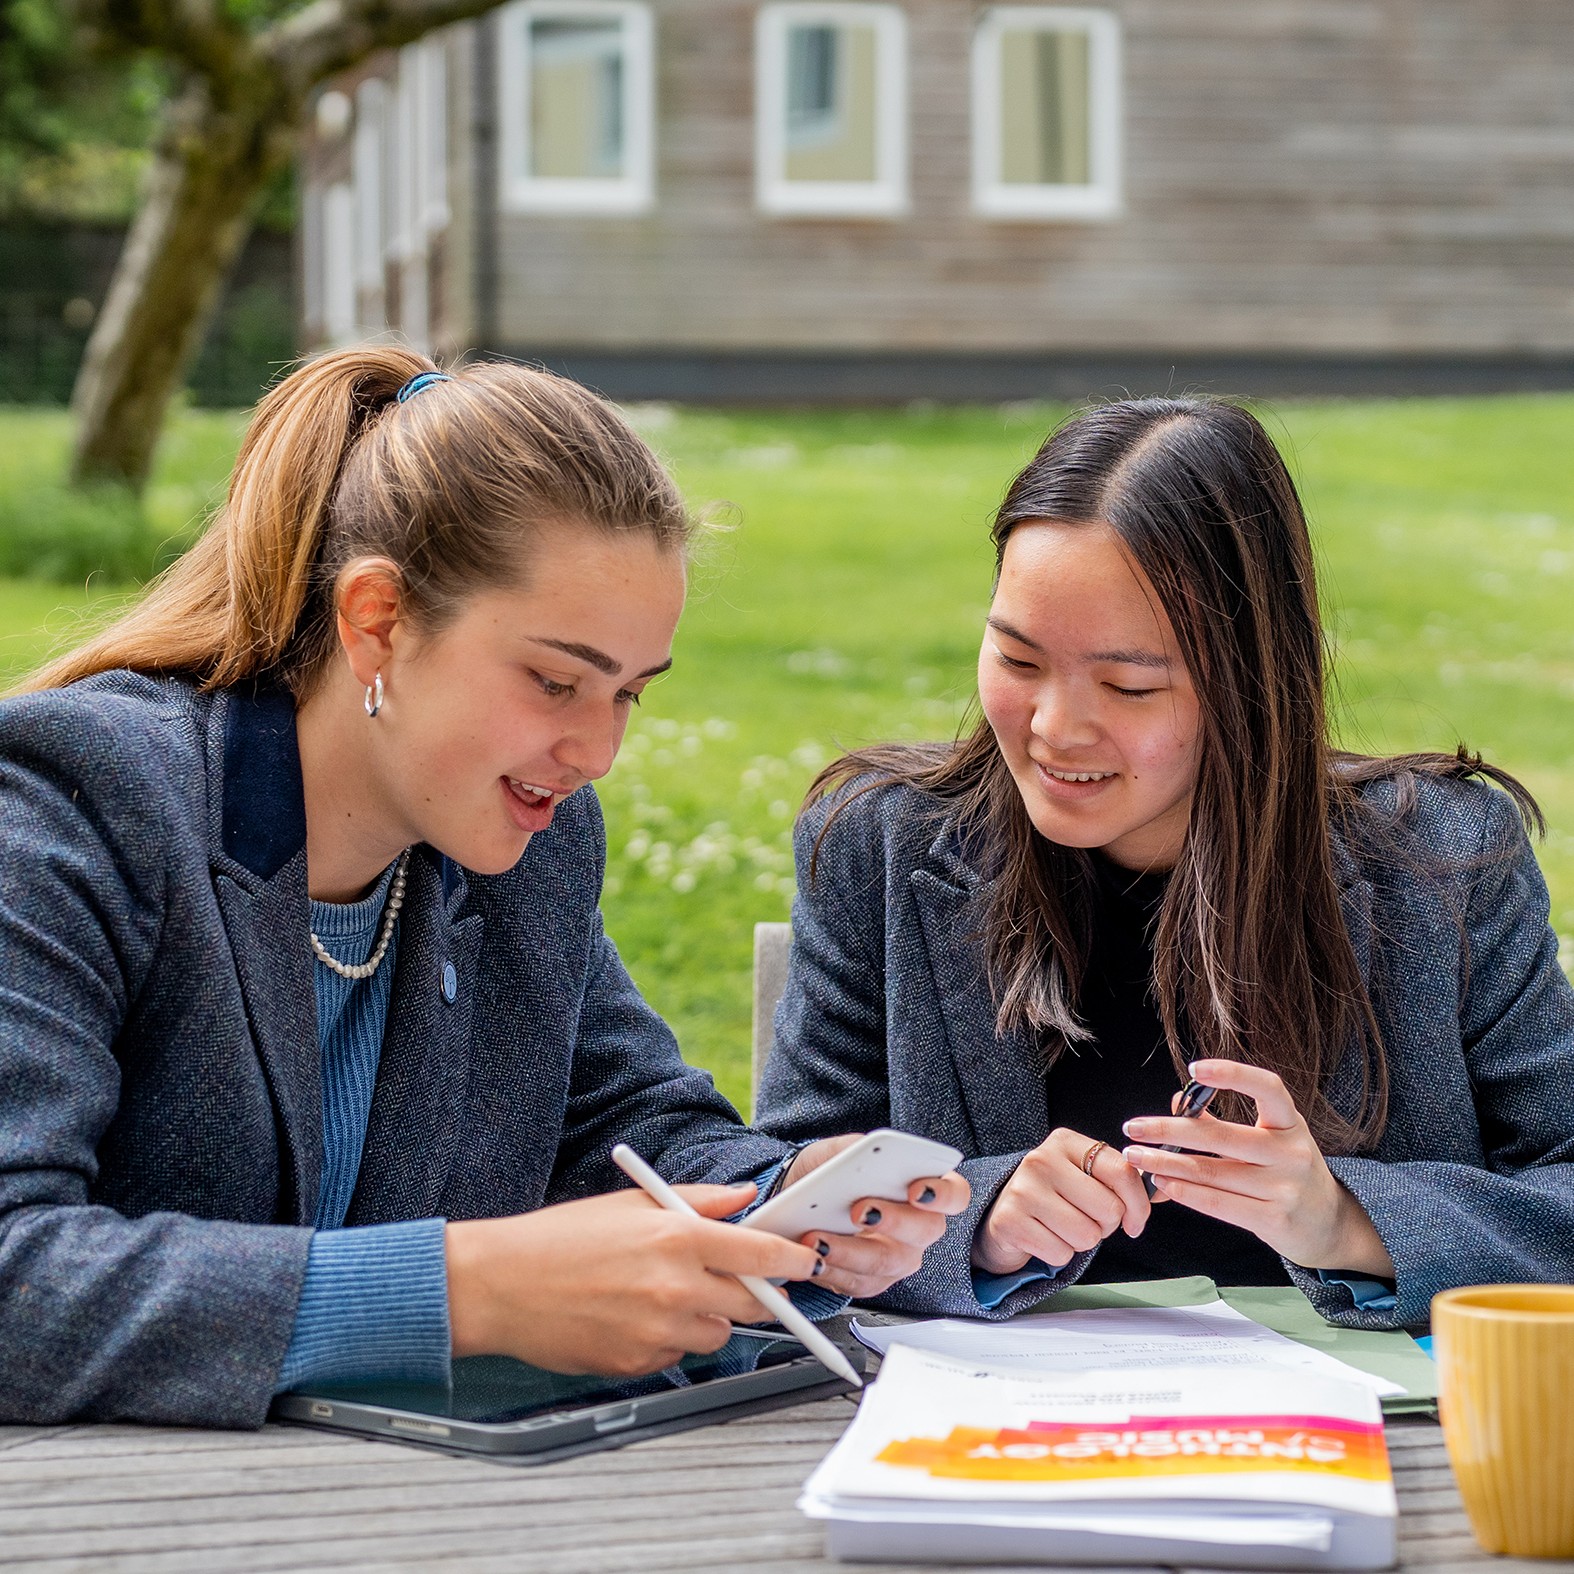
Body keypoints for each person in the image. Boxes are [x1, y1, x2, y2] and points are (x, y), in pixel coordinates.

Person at [0, 347, 966, 1427]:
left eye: (628, 694)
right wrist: (467, 1289)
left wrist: (784, 1202)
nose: (595, 749)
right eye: (554, 680)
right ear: (377, 619)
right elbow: (16, 1269)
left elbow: (628, 1124)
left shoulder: (524, 845)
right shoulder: (72, 804)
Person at [755, 396, 1574, 1329]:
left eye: (1129, 684)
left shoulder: (1446, 860)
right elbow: (785, 1199)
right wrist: (976, 1221)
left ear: (1252, 679)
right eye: (1017, 660)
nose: (1055, 729)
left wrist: (1342, 1220)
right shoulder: (883, 847)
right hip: (1002, 1438)